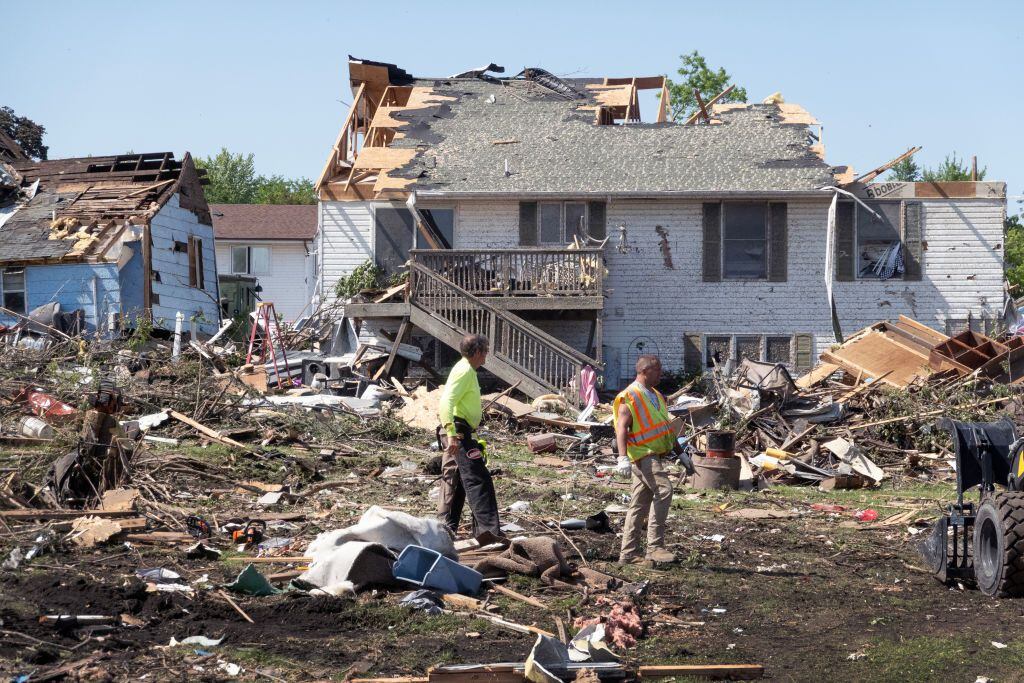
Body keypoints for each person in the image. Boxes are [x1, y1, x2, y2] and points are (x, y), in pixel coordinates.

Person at [614, 354, 683, 565]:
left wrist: (681, 452)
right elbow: (621, 428)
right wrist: (622, 458)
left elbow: (665, 427)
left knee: (639, 503)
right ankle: (655, 547)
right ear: (644, 371)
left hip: (654, 454)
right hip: (643, 455)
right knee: (664, 490)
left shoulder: (656, 395)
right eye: (657, 371)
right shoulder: (630, 396)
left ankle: (628, 554)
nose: (661, 375)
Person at [437, 333, 501, 538]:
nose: (487, 356)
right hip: (458, 431)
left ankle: (445, 532)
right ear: (477, 351)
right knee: (479, 481)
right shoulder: (464, 370)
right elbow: (446, 402)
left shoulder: (466, 369)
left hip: (461, 430)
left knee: (455, 483)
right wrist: (452, 434)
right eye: (486, 351)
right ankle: (488, 534)